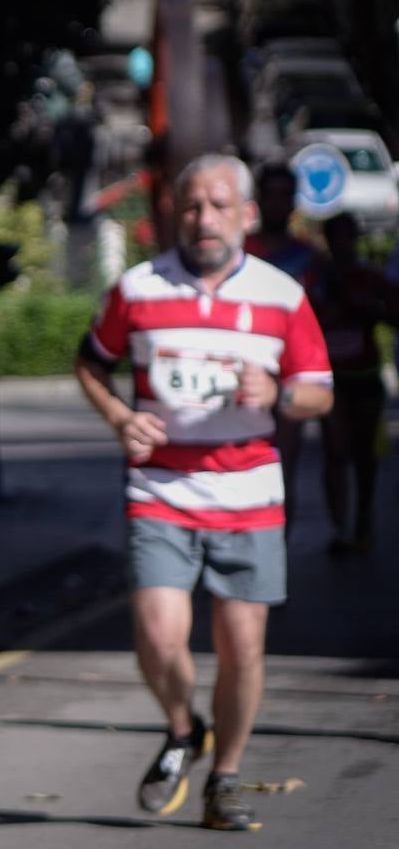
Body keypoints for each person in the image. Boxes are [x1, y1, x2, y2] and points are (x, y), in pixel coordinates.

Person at [75, 154, 333, 831]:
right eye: (193, 205)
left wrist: (278, 392)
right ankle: (184, 726)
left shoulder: (282, 295)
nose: (205, 218)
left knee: (242, 647)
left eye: (221, 205)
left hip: (250, 494)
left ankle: (224, 778)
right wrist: (121, 418)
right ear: (173, 213)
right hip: (161, 486)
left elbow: (319, 393)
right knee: (160, 637)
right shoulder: (136, 288)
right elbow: (91, 363)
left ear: (248, 215)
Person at [307, 212, 398, 554]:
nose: (344, 244)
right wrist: (332, 312)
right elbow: (305, 321)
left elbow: (394, 314)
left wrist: (371, 310)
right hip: (331, 380)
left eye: (350, 237)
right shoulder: (318, 278)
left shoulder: (371, 277)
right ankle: (340, 526)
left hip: (366, 375)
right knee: (336, 449)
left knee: (364, 453)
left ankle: (363, 518)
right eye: (337, 237)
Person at [244, 162, 319, 535]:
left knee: (282, 468)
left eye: (284, 196)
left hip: (288, 376)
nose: (277, 204)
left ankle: (276, 560)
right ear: (258, 201)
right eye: (269, 195)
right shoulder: (239, 252)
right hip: (240, 374)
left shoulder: (309, 257)